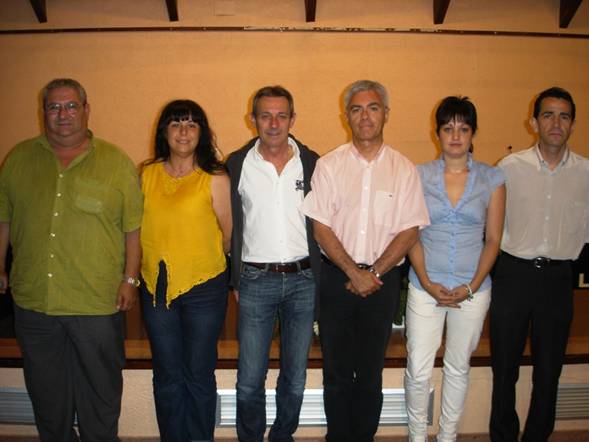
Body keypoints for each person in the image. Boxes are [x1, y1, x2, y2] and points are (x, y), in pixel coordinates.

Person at [0, 78, 143, 441]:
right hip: (35, 303)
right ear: (43, 112)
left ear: (86, 110)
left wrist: (130, 279)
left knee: (101, 393)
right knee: (47, 396)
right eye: (54, 107)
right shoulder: (18, 159)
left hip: (96, 303)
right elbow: (4, 219)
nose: (62, 114)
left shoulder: (116, 162)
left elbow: (133, 229)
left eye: (71, 106)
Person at [302, 80, 430, 442]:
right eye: (356, 109)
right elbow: (321, 227)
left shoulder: (404, 169)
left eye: (373, 107)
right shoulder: (329, 165)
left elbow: (410, 231)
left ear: (386, 113)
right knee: (337, 372)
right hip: (336, 280)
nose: (365, 116)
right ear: (346, 116)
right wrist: (352, 272)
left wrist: (372, 273)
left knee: (371, 373)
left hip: (382, 282)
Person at [490, 87, 589, 442]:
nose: (556, 123)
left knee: (549, 371)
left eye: (564, 116)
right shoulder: (509, 168)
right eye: (548, 115)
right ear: (533, 123)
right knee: (505, 368)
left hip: (558, 280)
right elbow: (492, 225)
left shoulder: (586, 173)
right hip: (513, 275)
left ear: (573, 124)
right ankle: (503, 436)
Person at [404, 96, 506, 442]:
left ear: (473, 132)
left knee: (458, 367)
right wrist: (427, 281)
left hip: (473, 290)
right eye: (448, 128)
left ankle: (448, 436)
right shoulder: (419, 175)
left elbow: (493, 239)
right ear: (437, 134)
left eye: (463, 128)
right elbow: (411, 234)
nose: (456, 136)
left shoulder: (492, 178)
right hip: (425, 287)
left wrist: (472, 286)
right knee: (418, 369)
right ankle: (417, 436)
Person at [226, 85, 321, 442]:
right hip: (255, 279)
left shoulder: (312, 163)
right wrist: (236, 279)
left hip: (304, 279)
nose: (274, 123)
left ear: (293, 119)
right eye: (265, 116)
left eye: (282, 115)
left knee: (295, 377)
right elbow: (228, 226)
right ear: (252, 119)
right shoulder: (237, 165)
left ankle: (283, 436)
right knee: (250, 379)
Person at [139, 100, 232, 442]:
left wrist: (195, 257)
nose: (183, 131)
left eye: (192, 124)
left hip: (204, 287)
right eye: (176, 123)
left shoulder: (215, 177)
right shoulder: (146, 174)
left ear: (201, 133)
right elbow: (136, 229)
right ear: (164, 131)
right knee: (166, 374)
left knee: (199, 374)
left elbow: (228, 235)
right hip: (155, 286)